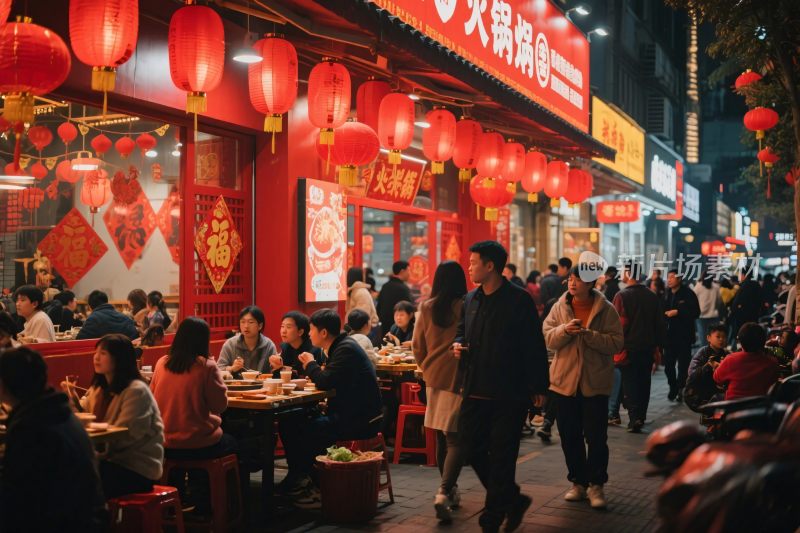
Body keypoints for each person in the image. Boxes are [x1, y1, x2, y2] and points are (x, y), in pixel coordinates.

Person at [452, 241, 549, 533]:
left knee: (503, 454)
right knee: (470, 449)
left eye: (473, 262)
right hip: (475, 389)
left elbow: (534, 346)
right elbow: (461, 332)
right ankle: (513, 499)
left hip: (509, 392)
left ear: (490, 265)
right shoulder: (470, 299)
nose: (469, 267)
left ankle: (492, 517)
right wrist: (457, 345)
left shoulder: (518, 300)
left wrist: (539, 388)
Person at [280, 309, 383, 507]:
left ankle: (313, 483)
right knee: (291, 422)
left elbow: (325, 381)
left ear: (324, 332)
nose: (310, 334)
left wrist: (310, 364)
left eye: (311, 330)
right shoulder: (342, 346)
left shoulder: (344, 349)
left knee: (306, 429)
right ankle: (302, 479)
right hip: (353, 413)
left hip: (362, 420)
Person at [0, 347, 107, 532]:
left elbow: (18, 496)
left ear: (4, 384)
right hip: (87, 518)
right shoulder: (58, 411)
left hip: (64, 523)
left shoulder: (33, 426)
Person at [543, 266, 624, 510]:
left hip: (594, 384)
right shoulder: (559, 306)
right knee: (569, 436)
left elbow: (617, 343)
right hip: (564, 383)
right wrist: (564, 330)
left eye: (577, 279)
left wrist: (588, 335)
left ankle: (596, 485)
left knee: (596, 437)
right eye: (570, 278)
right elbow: (547, 336)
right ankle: (578, 482)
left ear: (591, 284)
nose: (572, 282)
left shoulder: (606, 309)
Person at [150, 317, 235, 514]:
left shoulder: (162, 363)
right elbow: (220, 405)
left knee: (193, 449)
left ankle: (177, 503)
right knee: (233, 442)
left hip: (165, 443)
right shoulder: (206, 366)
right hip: (198, 443)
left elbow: (153, 399)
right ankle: (212, 505)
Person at [66, 334, 165, 498]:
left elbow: (126, 436)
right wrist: (74, 402)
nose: (96, 357)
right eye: (95, 352)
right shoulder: (100, 389)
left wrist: (89, 452)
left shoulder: (136, 391)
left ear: (120, 358)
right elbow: (87, 420)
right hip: (107, 463)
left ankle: (99, 522)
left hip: (136, 469)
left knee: (73, 477)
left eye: (103, 353)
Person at [413, 261, 467, 523]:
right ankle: (445, 491)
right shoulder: (466, 305)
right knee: (455, 437)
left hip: (433, 377)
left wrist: (427, 369)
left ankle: (450, 489)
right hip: (459, 376)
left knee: (440, 434)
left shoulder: (426, 306)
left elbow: (417, 346)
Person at [612, 263, 666, 432]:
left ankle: (634, 418)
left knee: (630, 383)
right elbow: (659, 324)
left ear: (628, 274)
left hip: (628, 347)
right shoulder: (651, 296)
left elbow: (620, 324)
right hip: (648, 347)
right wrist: (659, 348)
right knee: (644, 382)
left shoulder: (621, 296)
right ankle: (641, 416)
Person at [714, 323, 779, 400]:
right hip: (761, 408)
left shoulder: (730, 359)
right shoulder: (772, 362)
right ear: (764, 341)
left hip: (732, 407)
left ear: (740, 342)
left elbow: (717, 379)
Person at [663, 270, 701, 402]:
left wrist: (678, 312)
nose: (669, 280)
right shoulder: (666, 294)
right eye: (668, 277)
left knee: (683, 366)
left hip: (684, 336)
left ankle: (680, 389)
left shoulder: (688, 294)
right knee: (668, 366)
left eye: (672, 277)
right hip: (668, 336)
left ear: (679, 279)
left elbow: (696, 312)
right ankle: (672, 386)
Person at [217, 305, 277, 378]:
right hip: (235, 387)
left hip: (262, 387)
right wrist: (232, 368)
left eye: (251, 322)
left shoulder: (268, 345)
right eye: (242, 322)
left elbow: (275, 373)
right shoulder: (230, 344)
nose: (246, 326)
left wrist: (277, 366)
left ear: (260, 326)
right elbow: (218, 370)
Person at [684, 324, 729, 412]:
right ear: (708, 338)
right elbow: (692, 375)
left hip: (718, 391)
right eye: (718, 336)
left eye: (724, 337)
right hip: (702, 393)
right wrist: (708, 366)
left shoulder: (726, 354)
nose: (721, 339)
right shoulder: (702, 352)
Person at [269, 311, 325, 378]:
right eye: (282, 326)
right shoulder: (285, 348)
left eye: (288, 327)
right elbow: (284, 378)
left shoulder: (314, 349)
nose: (283, 331)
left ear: (300, 332)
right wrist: (278, 368)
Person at [377, 261, 413, 336]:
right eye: (408, 270)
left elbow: (379, 307)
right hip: (401, 330)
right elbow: (410, 309)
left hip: (384, 328)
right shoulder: (403, 288)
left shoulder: (385, 286)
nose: (410, 274)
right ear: (402, 271)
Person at [729, 272, 764, 350]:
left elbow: (737, 301)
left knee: (743, 335)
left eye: (740, 275)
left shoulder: (744, 285)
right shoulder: (756, 284)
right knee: (753, 334)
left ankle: (742, 351)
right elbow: (761, 300)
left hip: (742, 316)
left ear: (744, 275)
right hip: (754, 315)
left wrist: (734, 311)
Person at [346, 267, 379, 339]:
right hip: (360, 330)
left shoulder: (360, 292)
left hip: (366, 330)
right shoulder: (354, 291)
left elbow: (363, 315)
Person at [693, 273, 721, 349]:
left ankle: (705, 358)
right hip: (714, 316)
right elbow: (719, 301)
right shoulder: (716, 287)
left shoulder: (698, 287)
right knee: (714, 339)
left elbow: (693, 300)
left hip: (701, 317)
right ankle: (714, 357)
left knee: (703, 340)